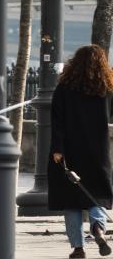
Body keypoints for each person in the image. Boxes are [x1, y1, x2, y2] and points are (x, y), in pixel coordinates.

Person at [50, 44, 113, 258]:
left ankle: (78, 248)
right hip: (98, 151)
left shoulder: (65, 87)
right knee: (98, 195)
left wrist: (58, 148)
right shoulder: (106, 88)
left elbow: (56, 120)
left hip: (70, 149)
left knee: (72, 200)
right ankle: (98, 229)